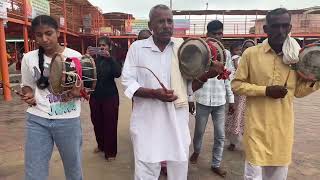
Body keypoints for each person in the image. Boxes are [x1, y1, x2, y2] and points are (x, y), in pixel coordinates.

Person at [122, 4, 224, 180]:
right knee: (145, 170)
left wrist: (208, 75)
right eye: (161, 21)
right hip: (147, 123)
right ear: (150, 25)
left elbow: (189, 88)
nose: (167, 25)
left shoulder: (183, 48)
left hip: (177, 122)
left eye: (170, 21)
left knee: (178, 169)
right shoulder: (137, 49)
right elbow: (127, 82)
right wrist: (154, 93)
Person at [232, 8, 320, 180]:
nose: (280, 31)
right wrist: (265, 90)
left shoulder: (296, 57)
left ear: (289, 28)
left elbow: (299, 93)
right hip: (256, 129)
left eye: (284, 26)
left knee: (278, 177)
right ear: (266, 29)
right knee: (253, 176)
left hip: (282, 130)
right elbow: (236, 85)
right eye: (275, 26)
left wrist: (316, 80)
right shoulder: (251, 54)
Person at [21, 15, 83, 180]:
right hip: (37, 119)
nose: (44, 39)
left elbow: (85, 89)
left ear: (58, 32)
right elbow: (27, 85)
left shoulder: (75, 56)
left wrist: (78, 93)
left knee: (73, 170)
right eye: (39, 35)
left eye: (49, 33)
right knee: (34, 172)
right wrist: (28, 94)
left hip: (68, 119)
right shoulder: (28, 58)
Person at [189, 20, 234, 177]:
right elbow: (192, 77)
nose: (217, 36)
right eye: (214, 34)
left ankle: (216, 164)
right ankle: (196, 151)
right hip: (202, 99)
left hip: (220, 100)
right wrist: (190, 98)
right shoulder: (200, 52)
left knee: (220, 135)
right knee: (199, 131)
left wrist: (232, 100)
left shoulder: (226, 54)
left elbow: (228, 78)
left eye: (220, 33)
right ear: (208, 34)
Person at [87, 36, 122, 161]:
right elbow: (86, 75)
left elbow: (118, 73)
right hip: (95, 96)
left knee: (110, 124)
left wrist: (110, 59)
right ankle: (101, 146)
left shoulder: (113, 60)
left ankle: (110, 152)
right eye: (100, 45)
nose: (102, 47)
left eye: (104, 45)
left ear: (109, 47)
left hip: (110, 96)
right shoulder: (94, 60)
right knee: (97, 122)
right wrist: (87, 58)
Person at [225, 40, 256, 151]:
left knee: (249, 120)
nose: (248, 49)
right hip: (239, 95)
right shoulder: (238, 60)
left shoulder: (257, 61)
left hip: (252, 96)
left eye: (251, 47)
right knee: (235, 117)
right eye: (246, 47)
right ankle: (233, 142)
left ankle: (250, 143)